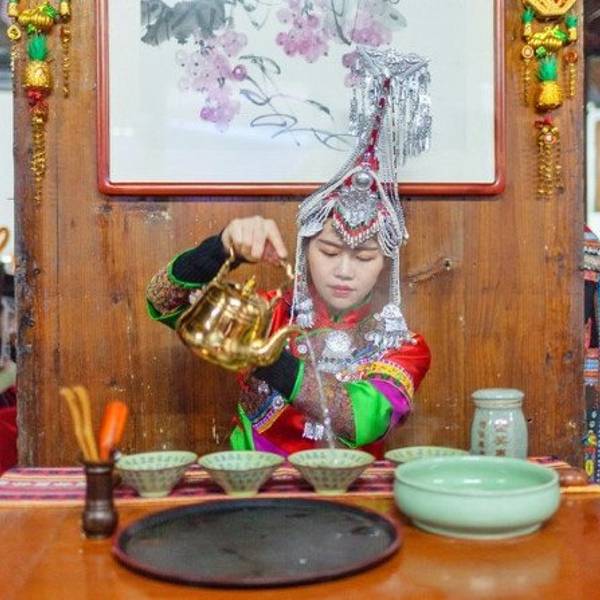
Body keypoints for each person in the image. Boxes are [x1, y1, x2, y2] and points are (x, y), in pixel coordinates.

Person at [146, 47, 433, 457]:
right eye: (329, 251)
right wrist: (221, 249)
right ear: (305, 249)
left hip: (347, 489)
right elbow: (162, 302)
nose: (344, 270)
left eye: (364, 257)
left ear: (385, 263)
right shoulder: (268, 314)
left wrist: (264, 355)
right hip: (253, 481)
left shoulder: (402, 345)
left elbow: (358, 421)